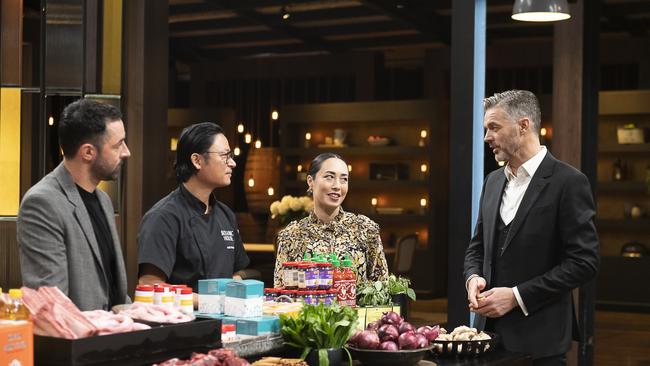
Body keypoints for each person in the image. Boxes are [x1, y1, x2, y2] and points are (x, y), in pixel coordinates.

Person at [464, 90, 599, 365]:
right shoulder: (491, 181)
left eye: (494, 127)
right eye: (486, 129)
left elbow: (585, 262)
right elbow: (477, 247)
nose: (486, 137)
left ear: (523, 125)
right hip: (488, 339)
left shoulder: (569, 182)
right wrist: (473, 277)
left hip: (542, 344)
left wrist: (516, 297)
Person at [18, 99, 131, 311]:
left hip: (114, 337)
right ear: (88, 152)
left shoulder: (103, 200)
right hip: (77, 341)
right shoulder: (42, 203)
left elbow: (113, 290)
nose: (126, 152)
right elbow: (51, 304)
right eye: (118, 145)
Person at [137, 122, 249, 295]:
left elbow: (236, 272)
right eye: (224, 156)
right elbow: (150, 285)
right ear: (197, 160)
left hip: (225, 319)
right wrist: (208, 302)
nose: (232, 163)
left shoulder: (226, 215)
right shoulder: (164, 216)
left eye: (231, 155)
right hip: (184, 320)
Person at [273, 153, 389, 287]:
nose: (337, 186)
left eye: (344, 179)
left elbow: (382, 288)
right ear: (311, 181)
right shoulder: (291, 235)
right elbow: (282, 295)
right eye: (329, 177)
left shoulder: (365, 229)